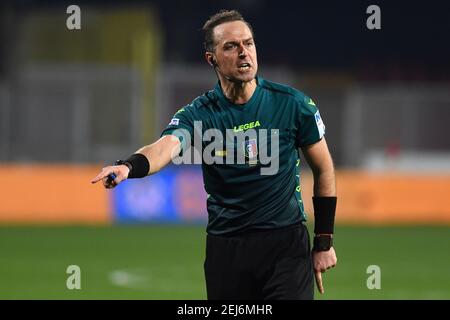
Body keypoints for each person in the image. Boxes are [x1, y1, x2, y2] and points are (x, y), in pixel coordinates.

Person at [91, 9, 337, 300]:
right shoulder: (200, 114)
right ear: (212, 59)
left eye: (249, 43)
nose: (244, 53)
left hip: (285, 247)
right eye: (231, 47)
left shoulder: (293, 105)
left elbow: (324, 169)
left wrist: (323, 241)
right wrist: (129, 167)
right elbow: (166, 147)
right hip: (227, 251)